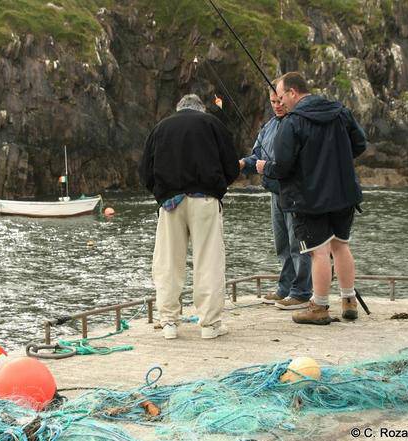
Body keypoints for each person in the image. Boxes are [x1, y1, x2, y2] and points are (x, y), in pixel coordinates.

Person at [256, 72, 367, 325]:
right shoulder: (340, 112)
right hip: (344, 192)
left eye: (282, 97)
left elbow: (283, 166)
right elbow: (359, 144)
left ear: (293, 92)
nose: (280, 103)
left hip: (310, 199)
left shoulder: (292, 122)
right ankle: (349, 301)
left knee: (319, 252)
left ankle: (319, 305)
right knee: (341, 245)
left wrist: (264, 167)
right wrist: (335, 160)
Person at [139, 94, 240, 339]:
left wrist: (162, 194)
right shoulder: (213, 125)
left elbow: (145, 172)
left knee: (168, 263)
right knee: (209, 261)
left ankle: (169, 322)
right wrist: (217, 189)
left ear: (178, 108)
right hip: (205, 200)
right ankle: (209, 324)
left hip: (171, 203)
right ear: (201, 109)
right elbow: (232, 167)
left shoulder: (161, 128)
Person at [239, 83, 312, 309]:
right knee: (282, 244)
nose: (277, 106)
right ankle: (285, 288)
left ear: (289, 97)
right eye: (273, 102)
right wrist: (241, 164)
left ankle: (301, 291)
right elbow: (256, 158)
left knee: (297, 244)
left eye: (280, 101)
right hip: (275, 194)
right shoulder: (269, 127)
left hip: (296, 194)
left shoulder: (298, 124)